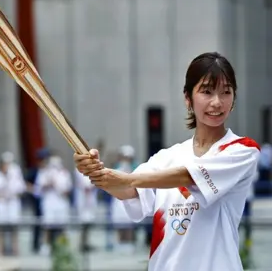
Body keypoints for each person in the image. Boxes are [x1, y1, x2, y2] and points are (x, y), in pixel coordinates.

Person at [75, 52, 260, 271]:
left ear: (234, 98)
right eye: (207, 92)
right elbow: (128, 190)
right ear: (188, 98)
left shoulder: (242, 150)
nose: (217, 102)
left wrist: (127, 178)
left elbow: (188, 176)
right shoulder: (166, 158)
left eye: (226, 92)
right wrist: (95, 171)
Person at [0, 151, 26, 255]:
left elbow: (21, 190)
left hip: (13, 204)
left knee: (14, 228)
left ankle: (15, 250)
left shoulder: (16, 175)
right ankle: (1, 251)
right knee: (0, 228)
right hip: (1, 204)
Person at [35, 155, 72, 255]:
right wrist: (48, 184)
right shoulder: (43, 173)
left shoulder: (65, 174)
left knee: (62, 226)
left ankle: (64, 247)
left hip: (61, 204)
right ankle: (46, 247)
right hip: (48, 204)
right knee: (47, 226)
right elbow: (37, 191)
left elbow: (68, 191)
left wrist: (58, 186)